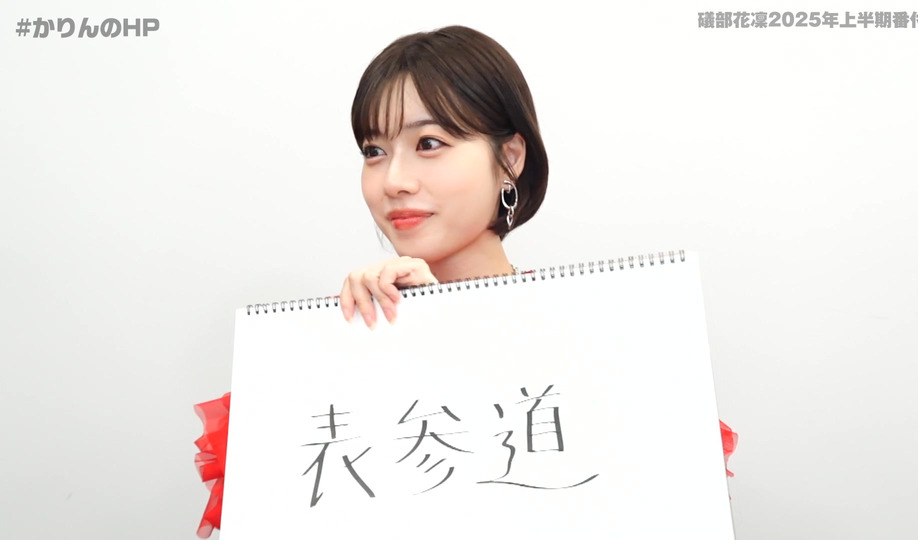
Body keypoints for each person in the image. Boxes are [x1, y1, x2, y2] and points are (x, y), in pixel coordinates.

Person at [192, 25, 737, 538]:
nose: (394, 181)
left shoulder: (604, 347)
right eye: (374, 152)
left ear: (510, 158)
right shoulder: (313, 370)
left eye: (429, 143)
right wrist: (385, 340)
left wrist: (456, 330)